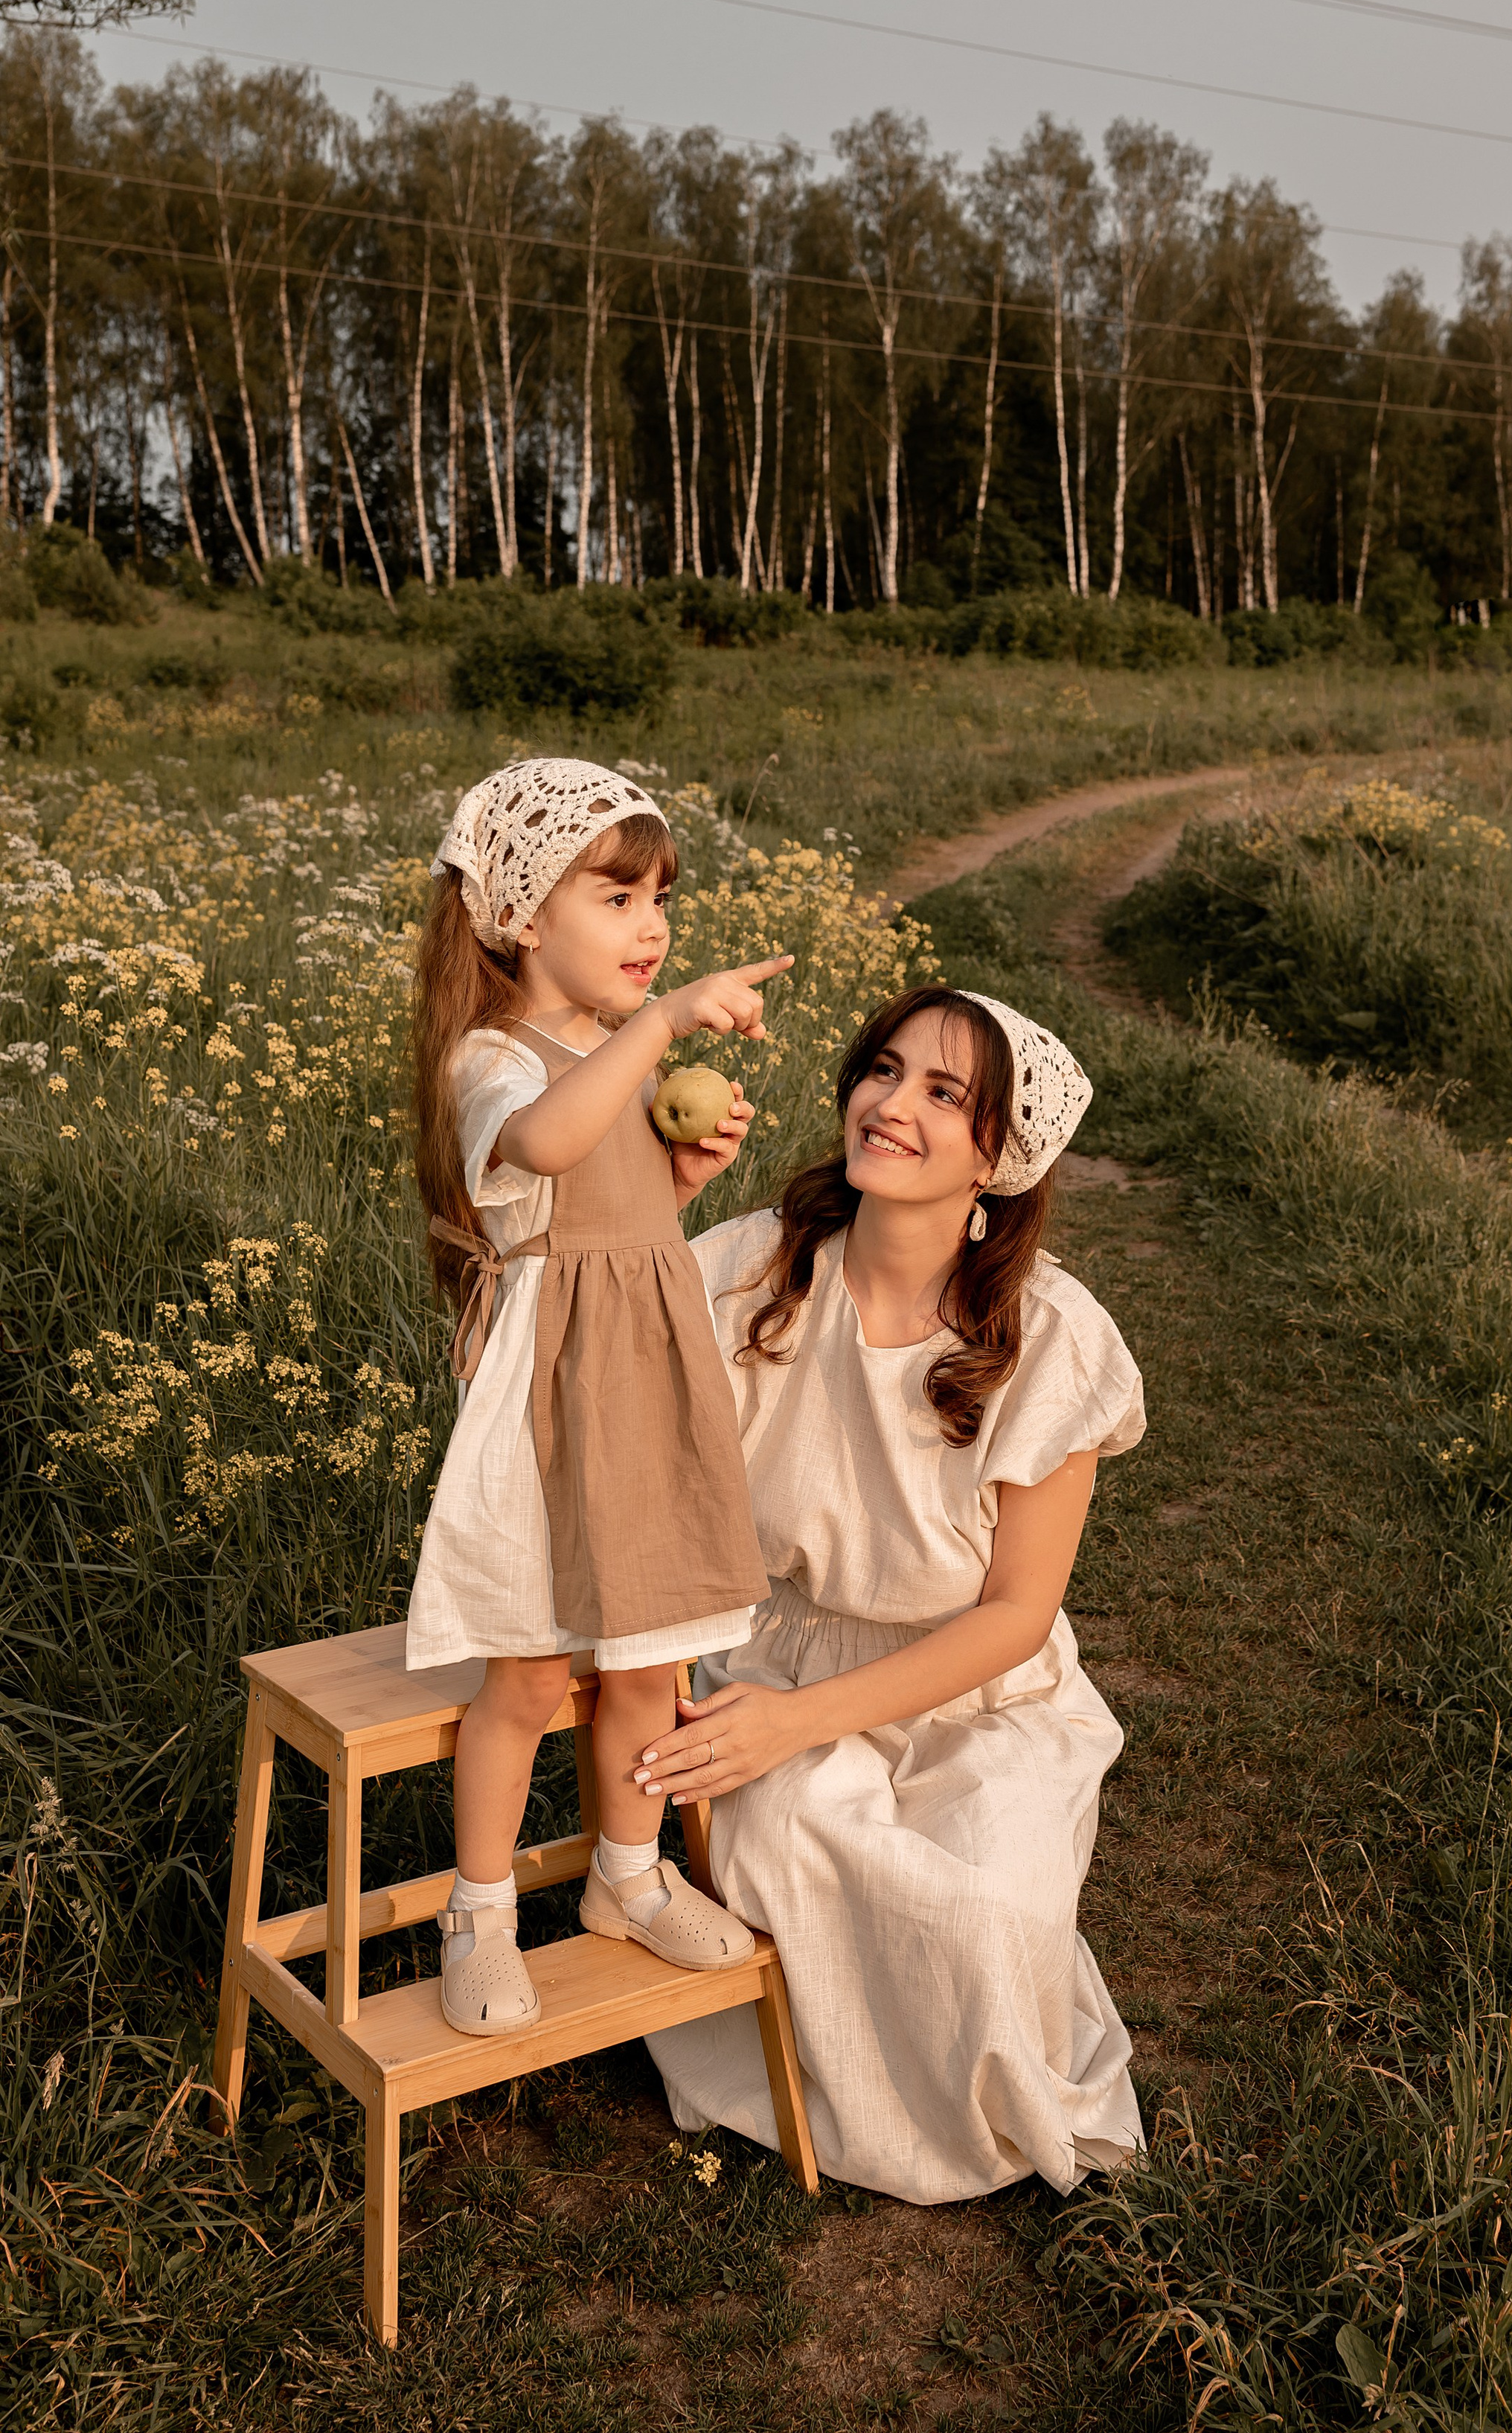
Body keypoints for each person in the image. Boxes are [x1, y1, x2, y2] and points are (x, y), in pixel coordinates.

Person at [639, 985, 1147, 2203]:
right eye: (883, 1070)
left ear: (997, 1159)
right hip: (776, 1663)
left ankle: (975, 2074)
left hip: (983, 1694)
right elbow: (581, 1349)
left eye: (942, 1093)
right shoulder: (757, 1268)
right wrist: (658, 1202)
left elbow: (1016, 1614)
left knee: (983, 1917)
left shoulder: (1053, 1336)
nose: (891, 1105)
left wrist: (794, 1728)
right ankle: (830, 2065)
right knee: (811, 1843)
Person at [409, 757, 792, 2038]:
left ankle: (625, 1875)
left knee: (647, 1658)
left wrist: (683, 1177)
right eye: (618, 897)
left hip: (646, 1383)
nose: (652, 927)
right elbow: (550, 1150)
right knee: (524, 1675)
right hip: (546, 1406)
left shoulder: (604, 1056)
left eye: (660, 900)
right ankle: (480, 1909)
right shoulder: (491, 1057)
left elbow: (616, 1221)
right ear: (520, 915)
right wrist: (663, 1024)